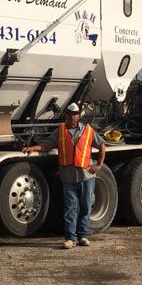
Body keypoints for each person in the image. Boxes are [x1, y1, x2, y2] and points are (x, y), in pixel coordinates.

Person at [22, 103, 107, 249]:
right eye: (69, 114)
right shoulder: (60, 131)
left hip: (87, 176)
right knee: (70, 208)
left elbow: (102, 145)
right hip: (68, 177)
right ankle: (70, 239)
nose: (72, 117)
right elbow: (46, 145)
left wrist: (99, 165)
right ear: (66, 115)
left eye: (74, 114)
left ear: (79, 116)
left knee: (86, 206)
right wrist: (32, 148)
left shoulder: (88, 130)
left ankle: (83, 235)